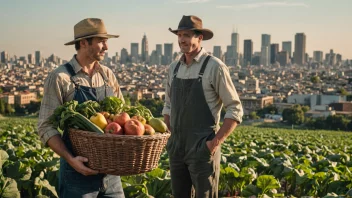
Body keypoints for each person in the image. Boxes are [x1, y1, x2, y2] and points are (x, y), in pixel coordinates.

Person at [38, 18, 125, 197]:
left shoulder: (107, 75)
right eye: (101, 41)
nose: (106, 47)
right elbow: (45, 126)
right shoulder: (60, 77)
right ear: (84, 43)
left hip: (111, 176)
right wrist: (71, 160)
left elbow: (123, 118)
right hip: (76, 174)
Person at [162, 15, 243, 198]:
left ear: (200, 38)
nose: (182, 39)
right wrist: (169, 136)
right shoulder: (174, 68)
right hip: (176, 148)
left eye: (188, 35)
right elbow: (168, 105)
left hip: (202, 148)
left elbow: (235, 108)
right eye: (180, 35)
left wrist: (213, 144)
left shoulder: (215, 67)